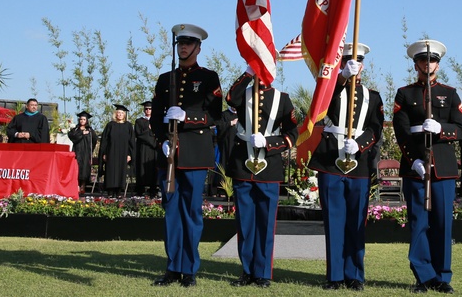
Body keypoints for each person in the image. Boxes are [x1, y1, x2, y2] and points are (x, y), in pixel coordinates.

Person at [150, 24, 223, 288]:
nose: (183, 47)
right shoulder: (164, 79)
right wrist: (162, 142)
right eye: (180, 43)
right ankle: (173, 267)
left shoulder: (208, 78)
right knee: (171, 213)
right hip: (170, 156)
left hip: (194, 154)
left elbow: (216, 114)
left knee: (192, 213)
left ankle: (189, 269)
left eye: (188, 44)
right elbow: (156, 118)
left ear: (198, 47)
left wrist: (188, 117)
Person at [307, 42, 383, 291]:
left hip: (358, 163)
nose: (355, 66)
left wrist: (360, 144)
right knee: (334, 220)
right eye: (350, 62)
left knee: (356, 221)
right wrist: (340, 77)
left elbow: (376, 127)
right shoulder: (330, 90)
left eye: (358, 62)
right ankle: (335, 276)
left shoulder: (373, 96)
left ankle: (355, 275)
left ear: (363, 65)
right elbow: (320, 105)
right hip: (330, 160)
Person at [393, 39, 462, 294]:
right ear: (416, 64)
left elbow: (461, 129)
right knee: (418, 222)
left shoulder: (450, 92)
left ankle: (443, 277)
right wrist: (415, 161)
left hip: (443, 167)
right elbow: (401, 131)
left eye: (432, 60)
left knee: (443, 224)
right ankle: (423, 277)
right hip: (416, 167)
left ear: (438, 64)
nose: (428, 64)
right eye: (423, 60)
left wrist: (442, 129)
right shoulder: (405, 93)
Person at [224, 68, 298, 288]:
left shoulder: (283, 99)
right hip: (242, 165)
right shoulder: (243, 94)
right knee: (245, 223)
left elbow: (292, 133)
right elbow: (231, 98)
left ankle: (263, 272)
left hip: (269, 167)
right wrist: (247, 74)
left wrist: (268, 143)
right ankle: (247, 271)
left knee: (265, 223)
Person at [99, 105, 135, 197]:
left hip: (123, 153)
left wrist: (129, 154)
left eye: (122, 113)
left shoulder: (128, 126)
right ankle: (110, 192)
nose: (120, 114)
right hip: (111, 153)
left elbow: (131, 141)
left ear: (125, 115)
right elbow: (104, 140)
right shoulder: (110, 125)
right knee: (110, 171)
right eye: (118, 113)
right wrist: (104, 153)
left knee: (121, 171)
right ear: (115, 114)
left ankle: (119, 192)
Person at [133, 101, 159, 197]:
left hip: (154, 148)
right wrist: (149, 130)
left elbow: (160, 133)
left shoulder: (157, 120)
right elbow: (139, 134)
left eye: (150, 109)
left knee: (154, 167)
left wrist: (154, 142)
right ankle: (141, 189)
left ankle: (154, 189)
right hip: (143, 147)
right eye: (146, 109)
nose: (148, 110)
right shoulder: (139, 121)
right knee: (142, 168)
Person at [68, 111, 97, 194]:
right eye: (81, 119)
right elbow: (73, 138)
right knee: (76, 169)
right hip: (77, 152)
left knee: (84, 170)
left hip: (86, 153)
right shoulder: (75, 130)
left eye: (84, 119)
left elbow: (94, 141)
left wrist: (90, 150)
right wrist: (82, 134)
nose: (82, 121)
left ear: (87, 120)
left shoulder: (90, 131)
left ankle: (82, 186)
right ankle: (76, 185)